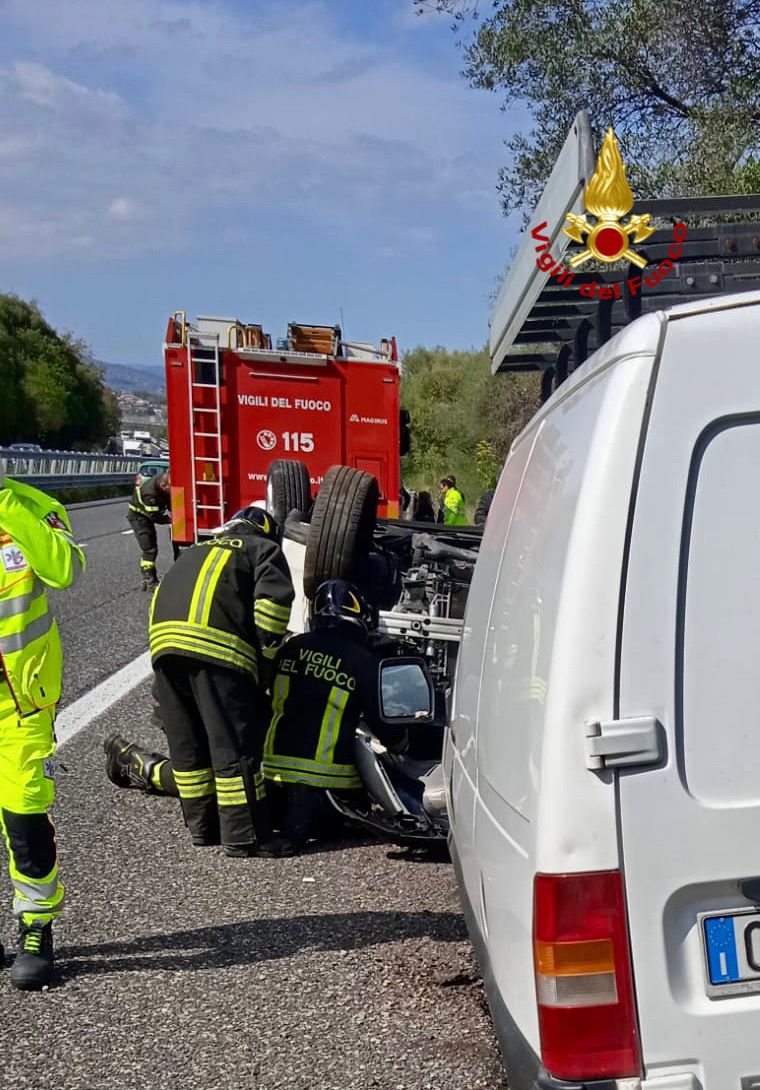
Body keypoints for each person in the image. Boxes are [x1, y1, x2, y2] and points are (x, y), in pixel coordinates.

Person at [107, 507, 294, 858]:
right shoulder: (262, 549)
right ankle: (244, 837)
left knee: (189, 747)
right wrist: (267, 661)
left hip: (165, 650)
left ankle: (203, 828)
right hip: (217, 652)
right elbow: (273, 608)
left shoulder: (195, 550)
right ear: (266, 532)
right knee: (234, 748)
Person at [0, 468, 85, 989]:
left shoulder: (34, 507)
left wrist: (6, 506)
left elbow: (63, 571)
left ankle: (36, 926)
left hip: (20, 702)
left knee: (24, 812)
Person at [261, 579, 403, 850]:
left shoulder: (290, 648)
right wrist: (401, 743)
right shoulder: (362, 660)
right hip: (329, 796)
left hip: (272, 788)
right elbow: (381, 720)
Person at [128, 470, 172, 590]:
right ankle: (150, 580)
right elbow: (155, 516)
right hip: (139, 517)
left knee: (152, 546)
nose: (172, 491)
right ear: (163, 485)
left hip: (146, 515)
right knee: (150, 549)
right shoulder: (150, 493)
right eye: (170, 488)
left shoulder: (164, 483)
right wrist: (170, 520)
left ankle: (149, 579)